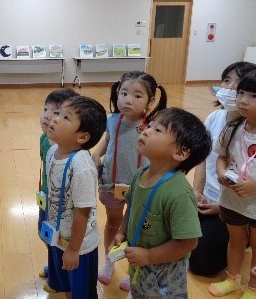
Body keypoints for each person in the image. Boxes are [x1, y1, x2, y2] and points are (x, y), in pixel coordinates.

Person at [113, 107, 212, 298]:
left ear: (181, 153)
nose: (146, 131)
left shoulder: (179, 194)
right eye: (149, 126)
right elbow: (132, 206)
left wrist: (149, 256)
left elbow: (188, 243)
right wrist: (122, 232)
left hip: (165, 274)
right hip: (141, 264)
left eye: (157, 130)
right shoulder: (140, 174)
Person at [91, 71, 167, 291]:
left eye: (137, 95)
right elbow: (108, 141)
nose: (127, 100)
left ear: (151, 101)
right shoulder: (112, 119)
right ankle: (109, 261)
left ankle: (134, 271)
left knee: (135, 229)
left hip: (141, 188)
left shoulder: (153, 125)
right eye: (123, 93)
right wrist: (96, 155)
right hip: (111, 184)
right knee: (113, 223)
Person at [190, 61, 256, 277]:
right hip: (206, 199)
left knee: (202, 264)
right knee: (169, 236)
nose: (229, 89)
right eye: (226, 80)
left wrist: (221, 206)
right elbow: (205, 159)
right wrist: (196, 192)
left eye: (238, 85)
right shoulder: (215, 118)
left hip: (233, 205)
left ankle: (244, 239)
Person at [44, 96, 107, 298]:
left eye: (65, 117)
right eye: (57, 113)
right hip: (59, 237)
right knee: (67, 285)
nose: (55, 118)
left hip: (78, 246)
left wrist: (73, 249)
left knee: (82, 292)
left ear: (82, 137)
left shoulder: (81, 167)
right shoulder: (53, 151)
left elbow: (83, 212)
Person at [208, 70, 256, 298]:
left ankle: (254, 287)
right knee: (236, 241)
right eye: (242, 93)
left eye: (254, 96)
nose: (244, 100)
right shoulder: (233, 128)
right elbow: (222, 156)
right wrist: (220, 174)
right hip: (232, 199)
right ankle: (233, 278)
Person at [37, 88, 78, 293]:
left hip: (62, 204)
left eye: (55, 113)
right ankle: (55, 267)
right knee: (45, 235)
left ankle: (60, 277)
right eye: (45, 109)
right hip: (46, 196)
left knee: (60, 239)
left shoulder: (71, 147)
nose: (47, 116)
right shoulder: (44, 139)